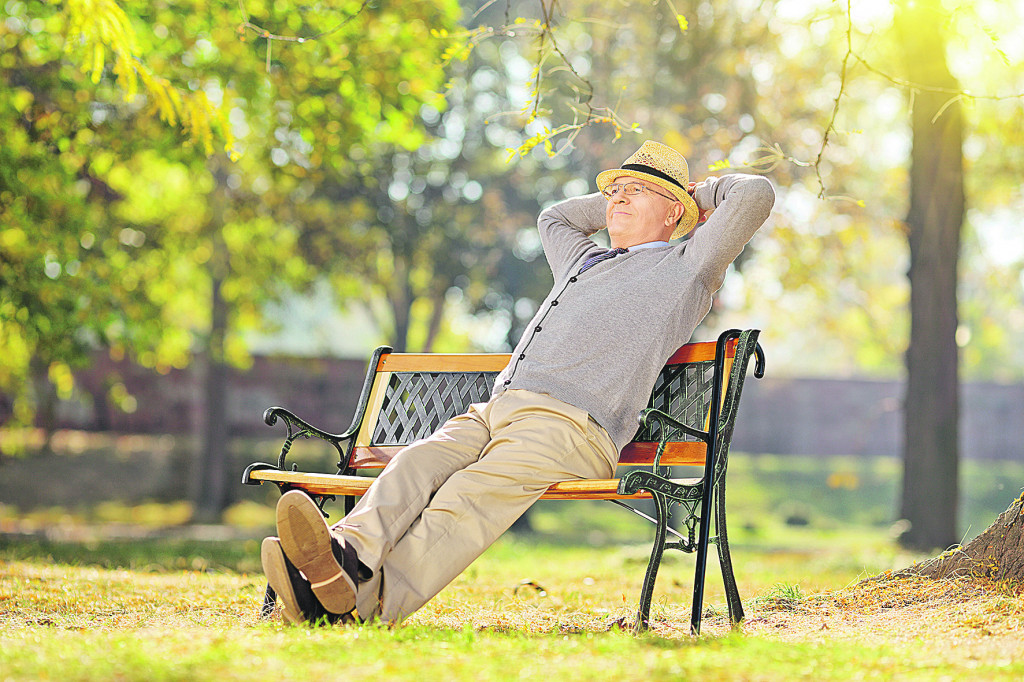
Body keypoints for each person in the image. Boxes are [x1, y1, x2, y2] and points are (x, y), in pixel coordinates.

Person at [260, 140, 775, 625]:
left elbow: (755, 194)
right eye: (614, 189)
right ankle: (345, 556)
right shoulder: (584, 260)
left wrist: (695, 197)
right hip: (496, 409)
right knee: (419, 461)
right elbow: (554, 217)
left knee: (467, 495)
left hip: (571, 427)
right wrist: (623, 197)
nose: (617, 198)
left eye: (636, 191)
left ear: (672, 213)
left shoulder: (687, 266)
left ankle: (363, 604)